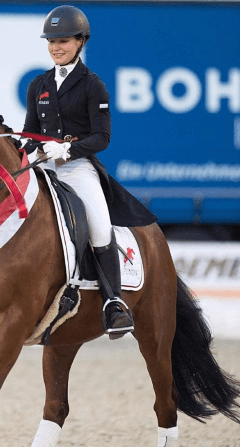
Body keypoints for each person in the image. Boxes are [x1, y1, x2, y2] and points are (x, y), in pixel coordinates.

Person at [23, 5, 157, 336]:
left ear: (81, 41)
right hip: (43, 169)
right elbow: (29, 133)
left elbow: (102, 137)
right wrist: (25, 153)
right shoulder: (38, 84)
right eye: (51, 41)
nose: (56, 47)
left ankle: (114, 303)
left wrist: (68, 148)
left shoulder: (91, 85)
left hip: (77, 168)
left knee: (99, 226)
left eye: (63, 41)